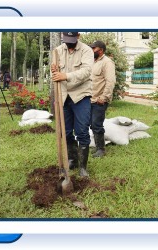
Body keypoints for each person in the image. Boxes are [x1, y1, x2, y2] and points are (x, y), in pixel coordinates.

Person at [50, 32, 96, 178]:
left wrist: (66, 76)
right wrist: (54, 71)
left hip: (81, 96)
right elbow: (55, 74)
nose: (69, 44)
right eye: (66, 40)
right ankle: (73, 159)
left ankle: (83, 167)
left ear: (78, 36)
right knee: (66, 131)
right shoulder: (57, 51)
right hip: (64, 96)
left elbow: (87, 72)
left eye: (72, 40)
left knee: (82, 131)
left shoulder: (86, 50)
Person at [88, 40, 117, 161]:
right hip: (89, 99)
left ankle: (101, 149)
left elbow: (110, 81)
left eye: (94, 48)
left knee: (96, 124)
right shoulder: (91, 62)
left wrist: (104, 98)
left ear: (101, 50)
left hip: (100, 100)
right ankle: (98, 146)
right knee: (91, 124)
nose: (91, 50)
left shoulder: (107, 62)